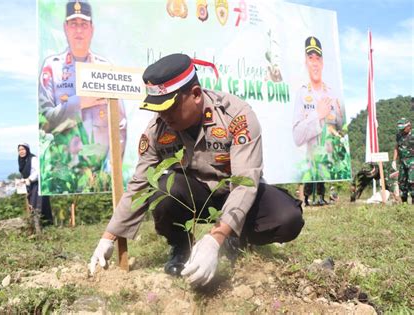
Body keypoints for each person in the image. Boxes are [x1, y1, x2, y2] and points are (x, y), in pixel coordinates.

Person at [88, 53, 304, 286]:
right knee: (163, 192)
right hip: (197, 195)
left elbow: (244, 183)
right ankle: (181, 247)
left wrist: (217, 236)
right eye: (158, 108)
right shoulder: (157, 130)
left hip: (239, 194)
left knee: (287, 218)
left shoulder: (237, 117)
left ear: (196, 95)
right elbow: (140, 184)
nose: (163, 116)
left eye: (170, 107)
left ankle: (234, 237)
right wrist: (108, 237)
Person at [38, 0, 127, 192]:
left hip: (99, 175)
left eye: (83, 24)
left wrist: (114, 169)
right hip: (63, 174)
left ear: (91, 29)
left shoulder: (105, 69)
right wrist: (80, 102)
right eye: (73, 24)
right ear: (65, 28)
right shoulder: (51, 67)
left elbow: (120, 123)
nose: (79, 30)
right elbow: (45, 121)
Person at [292, 36, 344, 180]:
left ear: (322, 62)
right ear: (306, 62)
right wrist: (318, 115)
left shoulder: (334, 94)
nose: (315, 63)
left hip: (334, 165)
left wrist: (340, 122)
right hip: (313, 165)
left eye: (318, 59)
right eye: (311, 58)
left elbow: (342, 132)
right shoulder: (302, 93)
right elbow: (297, 137)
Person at [18, 143, 53, 226]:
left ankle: (42, 226)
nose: (21, 151)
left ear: (27, 149)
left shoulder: (33, 159)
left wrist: (30, 179)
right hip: (30, 186)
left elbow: (38, 171)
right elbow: (25, 174)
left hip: (37, 186)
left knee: (37, 205)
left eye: (23, 149)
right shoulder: (22, 161)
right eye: (19, 150)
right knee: (32, 205)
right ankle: (36, 226)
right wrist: (23, 180)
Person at [392, 118, 413, 203]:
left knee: (412, 182)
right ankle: (404, 203)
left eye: (403, 128)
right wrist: (394, 160)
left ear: (409, 126)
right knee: (402, 182)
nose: (402, 130)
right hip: (402, 162)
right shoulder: (399, 135)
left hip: (412, 161)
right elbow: (397, 147)